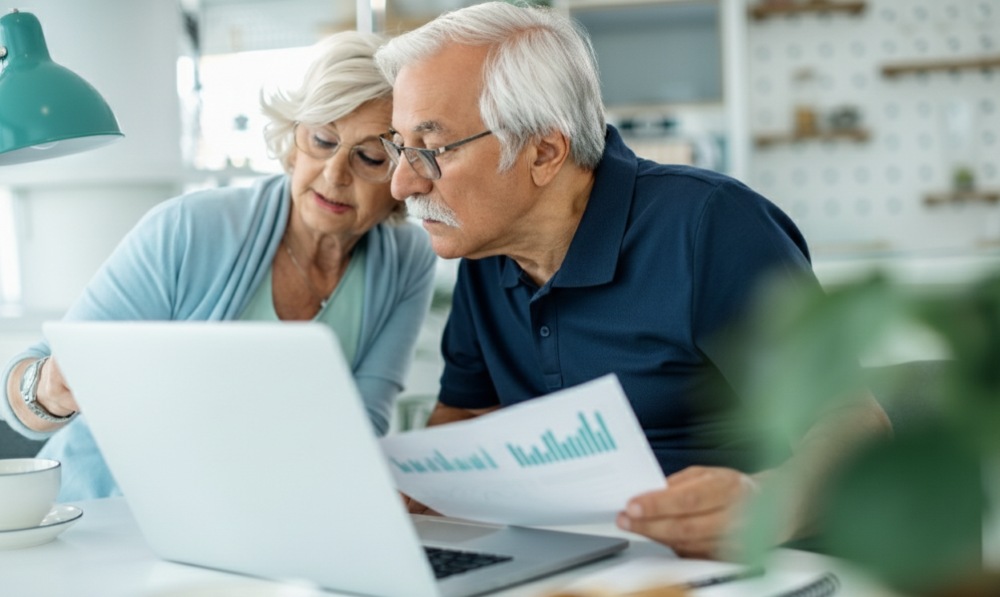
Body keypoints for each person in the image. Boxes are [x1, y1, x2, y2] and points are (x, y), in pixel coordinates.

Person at [374, 2, 892, 558]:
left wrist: (767, 503)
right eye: (400, 146)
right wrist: (424, 484)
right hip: (575, 560)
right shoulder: (484, 249)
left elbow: (853, 424)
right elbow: (469, 414)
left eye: (431, 150)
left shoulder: (710, 226)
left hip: (747, 565)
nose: (402, 183)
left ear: (544, 152)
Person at [1, 30, 436, 502]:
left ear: (404, 170)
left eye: (370, 156)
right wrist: (48, 391)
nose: (334, 175)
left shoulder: (407, 261)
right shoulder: (190, 228)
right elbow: (31, 390)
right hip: (108, 508)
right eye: (322, 140)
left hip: (261, 513)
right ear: (293, 142)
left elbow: (362, 423)